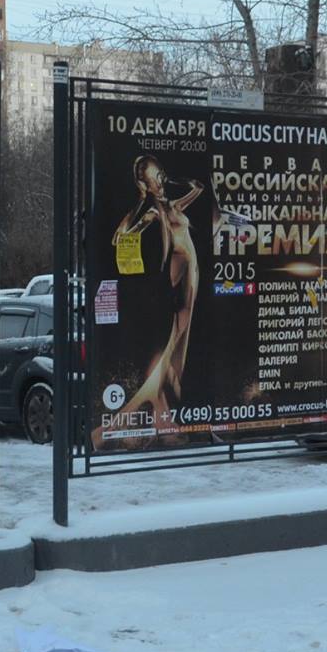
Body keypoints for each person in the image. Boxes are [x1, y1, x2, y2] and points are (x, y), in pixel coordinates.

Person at [100, 154, 203, 439]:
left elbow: (199, 189)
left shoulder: (172, 204)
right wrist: (143, 219)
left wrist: (182, 182)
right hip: (177, 269)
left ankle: (169, 388)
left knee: (184, 330)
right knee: (176, 330)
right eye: (153, 179)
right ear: (143, 184)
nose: (159, 182)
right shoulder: (149, 208)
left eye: (160, 176)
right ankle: (156, 398)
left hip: (191, 268)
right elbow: (118, 237)